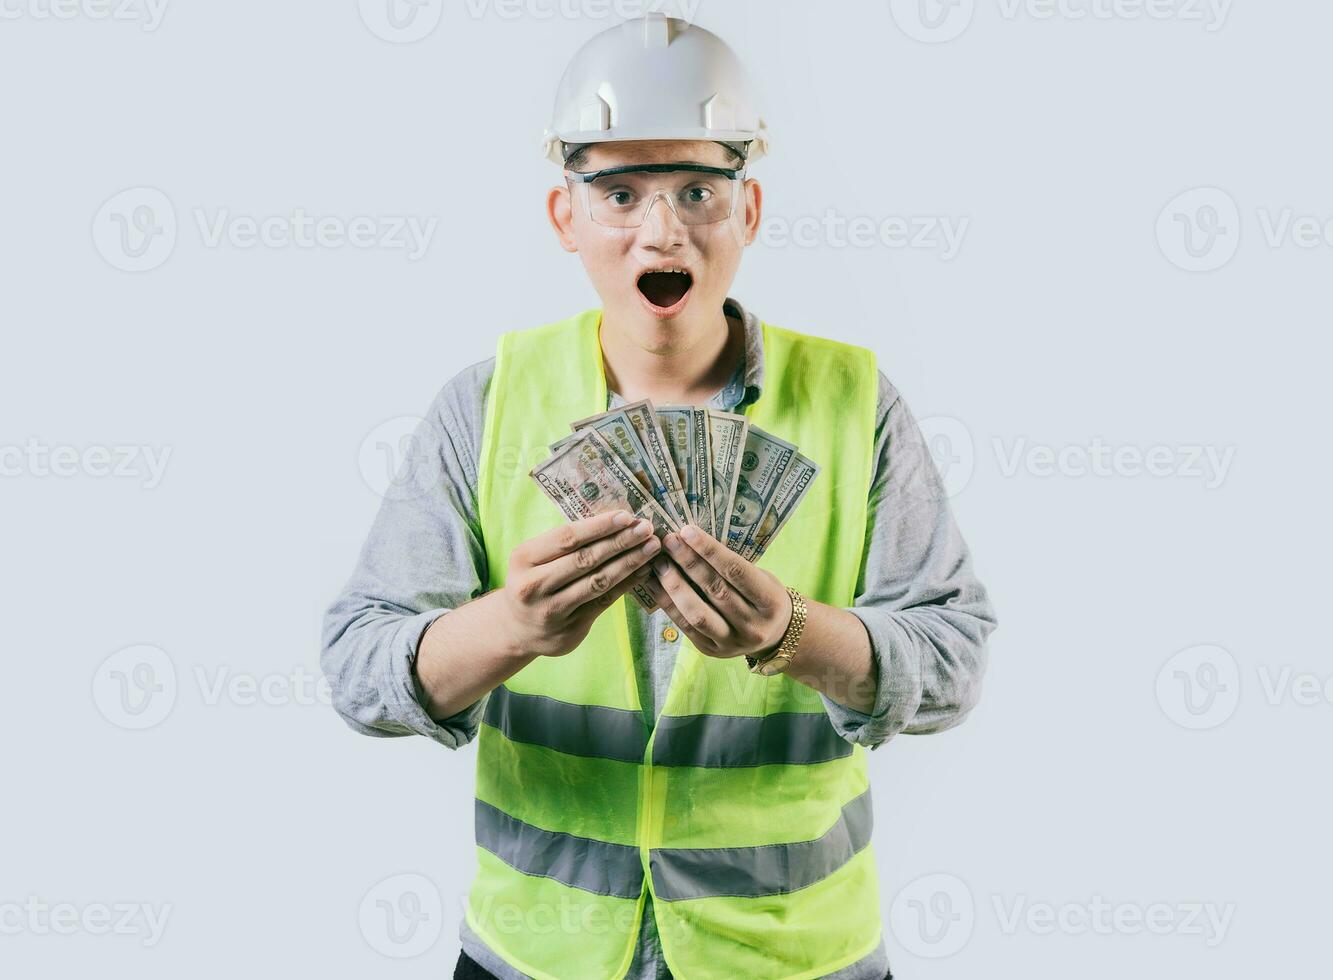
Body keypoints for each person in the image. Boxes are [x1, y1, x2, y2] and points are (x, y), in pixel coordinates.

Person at [322, 14, 997, 980]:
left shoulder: (857, 404)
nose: (662, 228)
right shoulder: (485, 404)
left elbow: (952, 661)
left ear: (750, 210)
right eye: (619, 192)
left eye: (697, 190)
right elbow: (360, 671)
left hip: (791, 957)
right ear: (567, 218)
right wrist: (510, 626)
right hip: (535, 953)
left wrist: (791, 634)